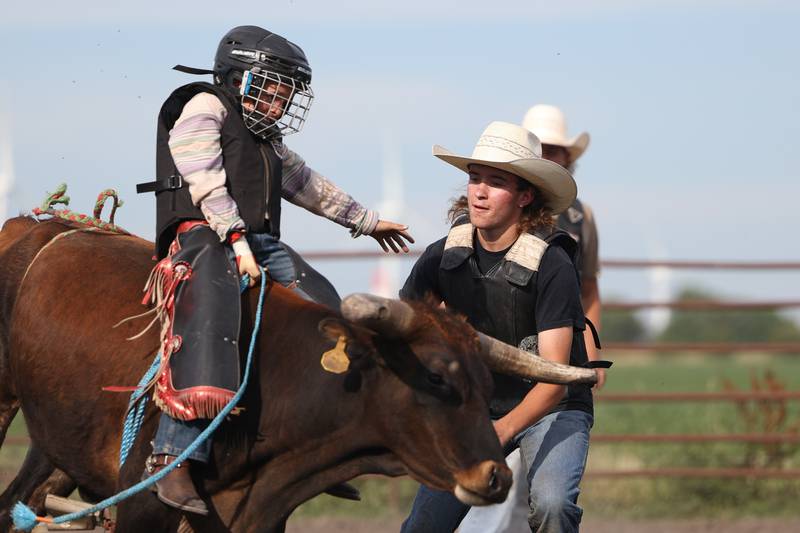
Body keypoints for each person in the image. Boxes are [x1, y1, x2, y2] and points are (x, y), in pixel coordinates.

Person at [135, 25, 413, 515]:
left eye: (287, 92)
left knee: (328, 314)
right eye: (273, 87)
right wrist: (236, 239)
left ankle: (313, 448)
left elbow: (307, 184)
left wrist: (366, 222)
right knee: (209, 324)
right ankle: (173, 459)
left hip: (255, 242)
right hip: (204, 237)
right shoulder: (204, 107)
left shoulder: (266, 136)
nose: (281, 101)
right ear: (238, 77)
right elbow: (203, 176)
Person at [399, 121, 593, 533]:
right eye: (474, 178)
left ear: (525, 196)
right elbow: (410, 325)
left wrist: (500, 430)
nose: (480, 191)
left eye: (496, 182)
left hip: (551, 407)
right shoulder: (443, 256)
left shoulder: (553, 264)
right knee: (423, 526)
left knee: (553, 505)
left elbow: (555, 377)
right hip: (477, 406)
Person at [459, 105, 604, 533]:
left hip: (553, 344)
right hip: (497, 358)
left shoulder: (578, 222)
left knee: (546, 487)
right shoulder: (469, 232)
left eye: (555, 150)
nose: (549, 155)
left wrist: (590, 354)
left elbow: (588, 286)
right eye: (540, 149)